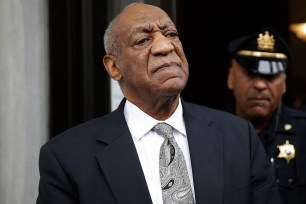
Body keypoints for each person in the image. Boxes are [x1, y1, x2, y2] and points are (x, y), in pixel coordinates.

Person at [36, 3, 281, 204]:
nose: (165, 46)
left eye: (171, 34)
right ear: (114, 66)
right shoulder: (66, 157)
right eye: (143, 40)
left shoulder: (238, 137)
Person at [225, 27, 306, 204]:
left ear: (284, 84)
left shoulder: (303, 133)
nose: (260, 85)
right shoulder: (211, 134)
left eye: (271, 77)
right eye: (251, 74)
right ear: (231, 78)